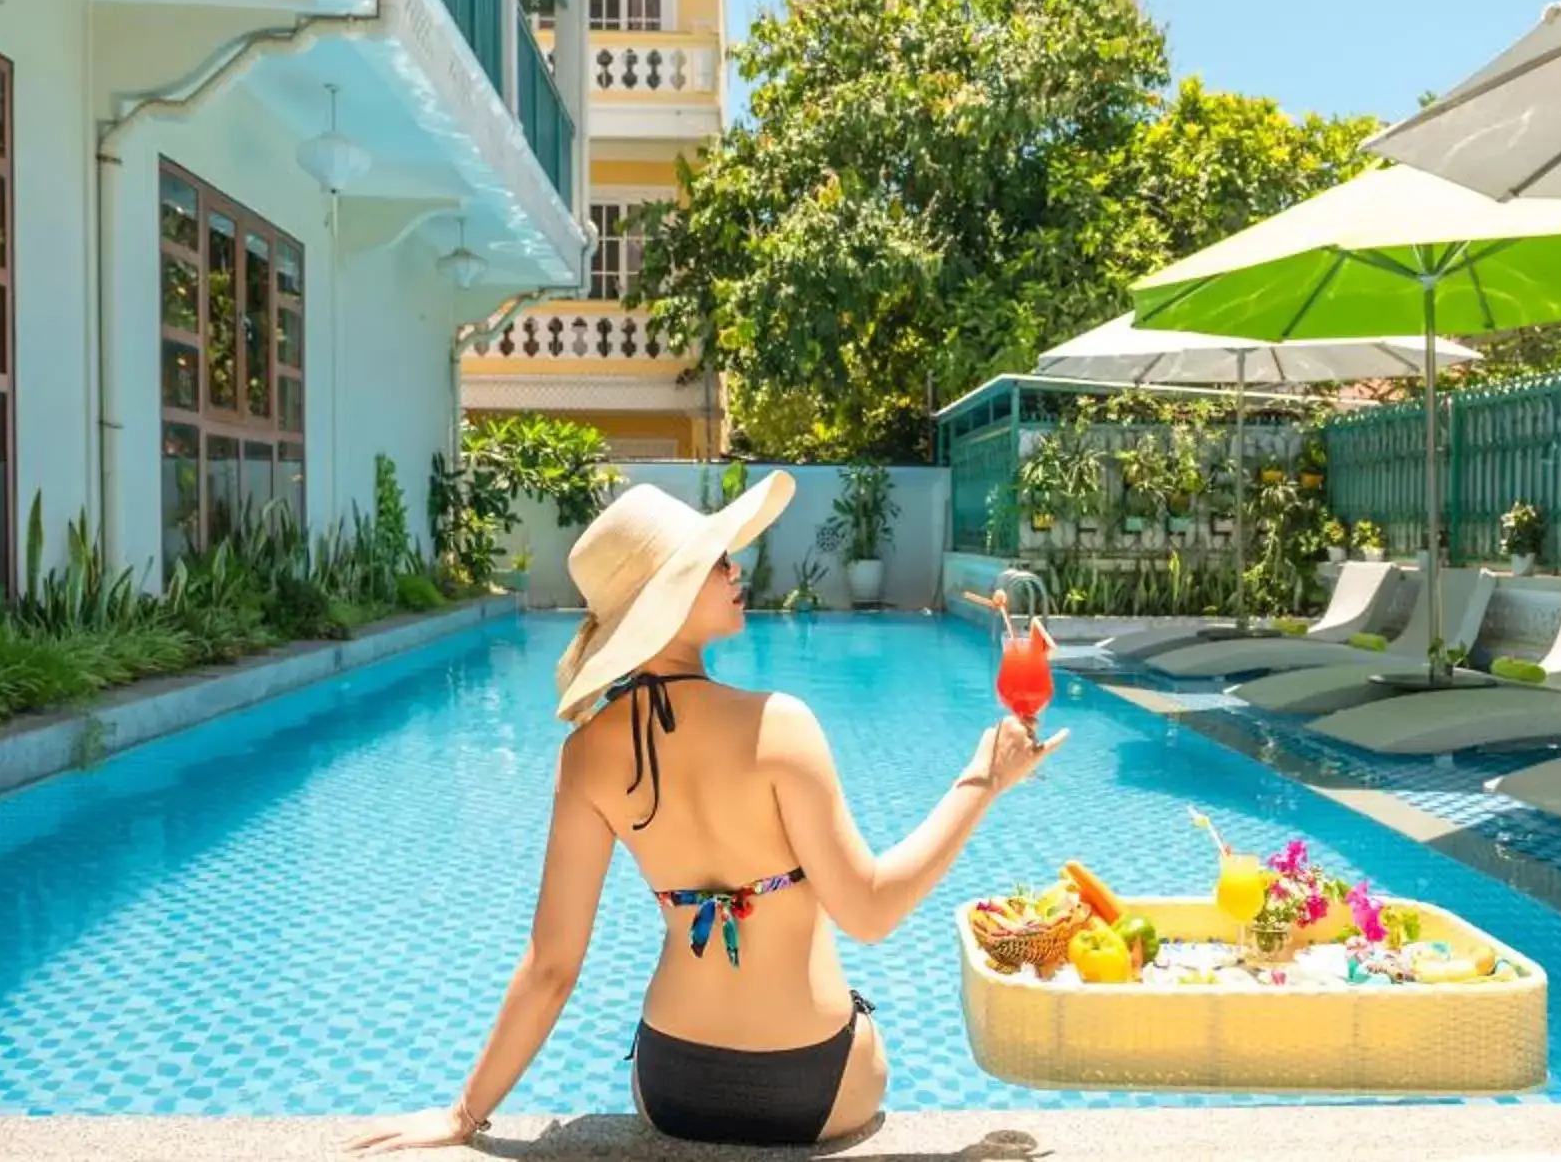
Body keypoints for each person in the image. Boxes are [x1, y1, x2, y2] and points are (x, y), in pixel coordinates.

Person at [350, 472, 1061, 1152]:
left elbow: (552, 966)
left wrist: (464, 1113)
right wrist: (983, 780)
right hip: (815, 1086)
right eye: (716, 562)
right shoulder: (780, 725)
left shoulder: (587, 754)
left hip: (673, 1087)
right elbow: (871, 912)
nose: (734, 570)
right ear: (667, 596)